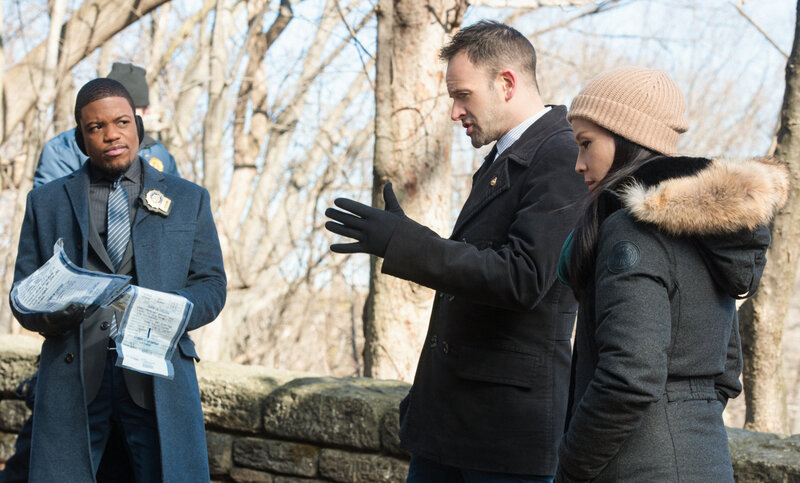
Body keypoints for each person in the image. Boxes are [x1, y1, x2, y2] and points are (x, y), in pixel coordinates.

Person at [325, 21, 584, 481]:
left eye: (463, 95)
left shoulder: (559, 155)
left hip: (505, 439)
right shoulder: (506, 156)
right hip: (453, 427)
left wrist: (407, 244)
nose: (454, 112)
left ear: (506, 83)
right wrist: (409, 237)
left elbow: (523, 278)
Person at [554, 67, 789, 482]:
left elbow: (629, 377)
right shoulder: (707, 233)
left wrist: (573, 465)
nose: (579, 163)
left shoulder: (631, 232)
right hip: (705, 461)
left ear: (625, 138)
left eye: (586, 144)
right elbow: (726, 371)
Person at [7, 78, 226, 482]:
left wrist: (164, 312)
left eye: (121, 122)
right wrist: (57, 311)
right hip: (73, 379)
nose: (111, 135)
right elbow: (23, 295)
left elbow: (211, 286)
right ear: (79, 138)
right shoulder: (46, 202)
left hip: (157, 380)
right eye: (96, 127)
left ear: (137, 129)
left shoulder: (189, 199)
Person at [33, 62, 179, 187]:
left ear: (145, 112)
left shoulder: (160, 154)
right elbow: (51, 206)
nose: (113, 134)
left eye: (123, 119)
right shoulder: (63, 148)